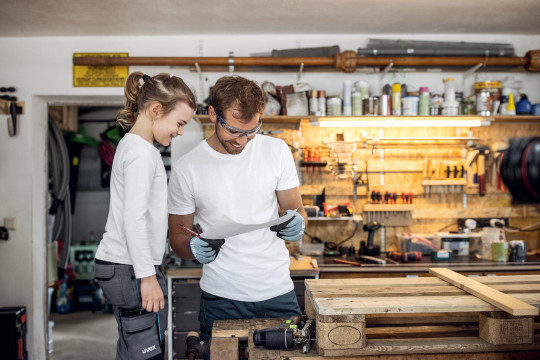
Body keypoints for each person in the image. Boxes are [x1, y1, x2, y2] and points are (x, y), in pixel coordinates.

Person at [168, 75, 308, 349]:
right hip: (221, 299)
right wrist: (193, 247)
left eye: (251, 131)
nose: (242, 141)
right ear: (212, 114)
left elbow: (296, 209)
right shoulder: (188, 168)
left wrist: (298, 224)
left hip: (277, 292)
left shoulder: (277, 151)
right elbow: (176, 238)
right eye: (233, 131)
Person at [94, 71, 196, 360]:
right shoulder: (141, 152)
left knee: (132, 349)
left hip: (125, 265)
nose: (180, 132)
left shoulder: (134, 145)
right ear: (155, 110)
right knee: (145, 352)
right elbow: (133, 219)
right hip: (129, 269)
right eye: (179, 123)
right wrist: (148, 277)